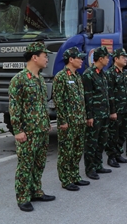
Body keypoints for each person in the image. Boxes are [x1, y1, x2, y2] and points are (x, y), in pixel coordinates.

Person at [9, 41, 55, 212]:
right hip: (27, 132)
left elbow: (43, 105)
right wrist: (18, 130)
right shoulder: (19, 79)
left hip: (41, 130)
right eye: (45, 56)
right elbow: (14, 107)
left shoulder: (40, 79)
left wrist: (47, 123)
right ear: (35, 57)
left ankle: (36, 191)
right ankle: (22, 197)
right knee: (25, 165)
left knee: (39, 163)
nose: (47, 59)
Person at [53, 47, 89, 192]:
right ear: (71, 59)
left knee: (77, 150)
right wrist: (62, 121)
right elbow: (58, 100)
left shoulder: (77, 77)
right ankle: (65, 179)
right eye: (79, 58)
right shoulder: (61, 77)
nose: (81, 60)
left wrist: (84, 118)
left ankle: (75, 176)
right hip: (69, 122)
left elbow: (81, 100)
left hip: (79, 120)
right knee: (66, 151)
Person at [82, 46, 112, 180]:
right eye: (107, 57)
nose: (108, 59)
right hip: (95, 115)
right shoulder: (88, 74)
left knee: (102, 141)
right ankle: (90, 169)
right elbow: (87, 97)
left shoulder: (103, 74)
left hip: (104, 114)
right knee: (91, 143)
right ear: (100, 58)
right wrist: (89, 116)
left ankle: (98, 165)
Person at [105, 48, 127, 168]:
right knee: (113, 134)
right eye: (123, 57)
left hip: (124, 109)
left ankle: (118, 154)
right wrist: (112, 111)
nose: (126, 59)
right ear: (116, 59)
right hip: (116, 110)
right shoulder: (110, 73)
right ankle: (111, 157)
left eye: (126, 57)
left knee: (122, 133)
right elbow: (109, 94)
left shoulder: (125, 74)